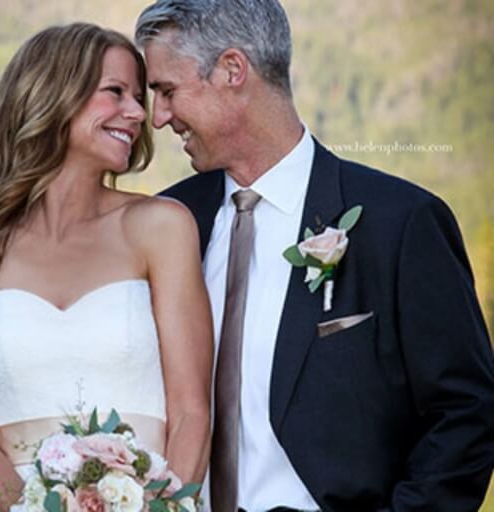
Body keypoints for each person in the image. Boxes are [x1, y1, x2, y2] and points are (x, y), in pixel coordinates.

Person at [135, 1, 494, 511]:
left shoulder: (401, 222)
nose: (160, 117)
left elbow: (466, 412)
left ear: (232, 70)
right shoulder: (166, 223)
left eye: (167, 91)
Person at [0, 23, 213, 511]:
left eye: (138, 96)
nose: (137, 113)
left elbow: (191, 413)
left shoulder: (161, 228)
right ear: (53, 94)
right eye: (115, 92)